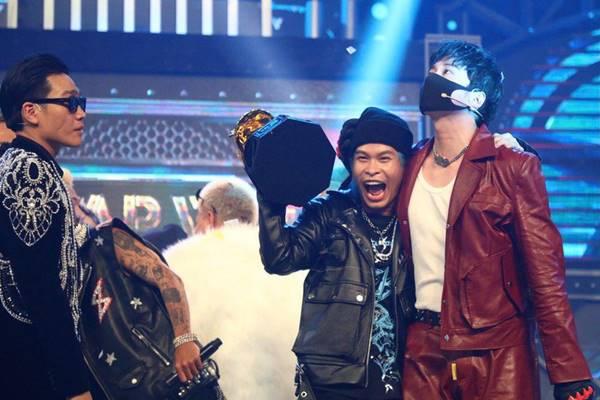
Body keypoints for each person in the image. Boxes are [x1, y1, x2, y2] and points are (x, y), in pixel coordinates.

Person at [396, 40, 595, 400]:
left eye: (447, 72)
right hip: (424, 349)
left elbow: (544, 273)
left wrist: (568, 371)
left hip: (497, 352)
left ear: (475, 97)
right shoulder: (410, 165)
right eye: (432, 71)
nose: (433, 79)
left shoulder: (512, 165)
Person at [257, 107, 415, 400]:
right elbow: (280, 258)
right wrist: (271, 193)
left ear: (405, 165)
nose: (372, 168)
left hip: (404, 379)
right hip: (334, 380)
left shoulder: (417, 217)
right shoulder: (329, 212)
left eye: (384, 158)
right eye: (362, 158)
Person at [0, 54, 92, 400]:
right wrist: (74, 385)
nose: (80, 113)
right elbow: (40, 286)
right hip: (28, 372)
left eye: (80, 103)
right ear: (31, 111)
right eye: (69, 103)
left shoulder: (26, 164)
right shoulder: (30, 172)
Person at [164, 178, 302, 399]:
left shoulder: (178, 263)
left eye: (198, 218)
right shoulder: (287, 262)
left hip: (211, 390)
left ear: (209, 217)